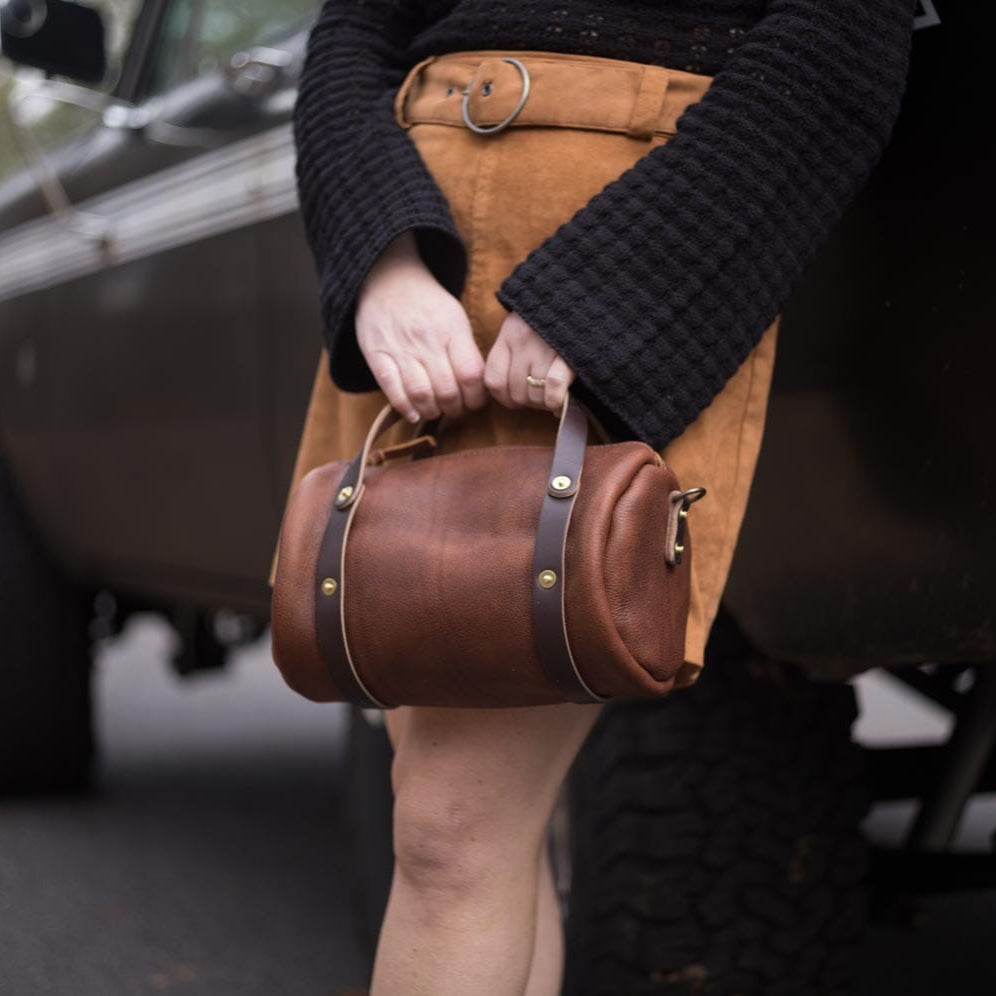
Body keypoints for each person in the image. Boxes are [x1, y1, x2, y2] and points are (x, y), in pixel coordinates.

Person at [275, 2, 915, 993]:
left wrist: (611, 299)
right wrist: (383, 261)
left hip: (629, 232)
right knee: (475, 828)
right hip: (418, 268)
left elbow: (842, 38)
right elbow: (354, 32)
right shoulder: (397, 269)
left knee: (452, 832)